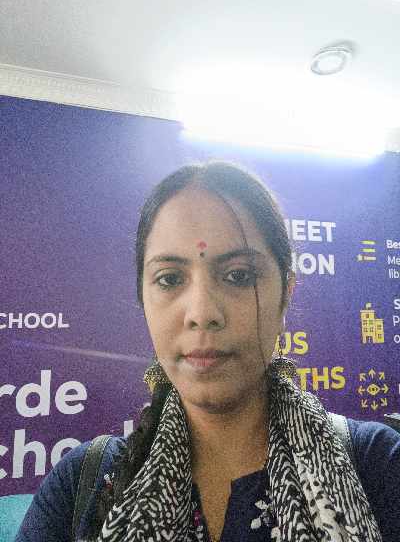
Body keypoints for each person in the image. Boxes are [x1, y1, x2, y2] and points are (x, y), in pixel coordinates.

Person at [16, 162, 400, 542]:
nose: (202, 313)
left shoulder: (378, 465)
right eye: (169, 278)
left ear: (286, 294)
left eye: (239, 275)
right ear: (143, 300)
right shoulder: (81, 487)